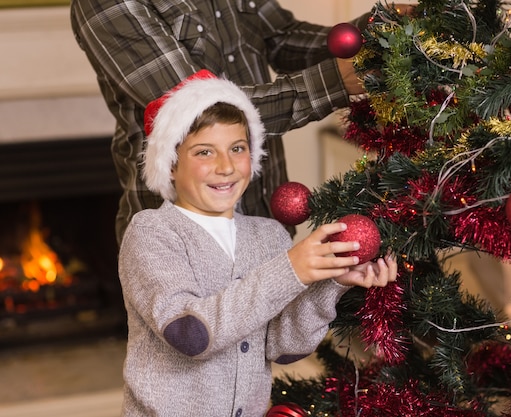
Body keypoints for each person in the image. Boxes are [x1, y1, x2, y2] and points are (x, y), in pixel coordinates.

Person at [117, 70, 398, 417]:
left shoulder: (268, 235)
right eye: (205, 152)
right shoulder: (152, 232)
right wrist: (291, 269)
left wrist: (332, 282)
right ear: (171, 164)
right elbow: (190, 334)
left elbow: (283, 348)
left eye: (237, 148)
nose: (226, 166)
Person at [70, 0, 413, 245]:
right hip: (183, 237)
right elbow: (202, 111)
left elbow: (282, 38)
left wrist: (371, 32)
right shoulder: (104, 4)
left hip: (266, 218)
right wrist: (335, 81)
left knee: (277, 345)